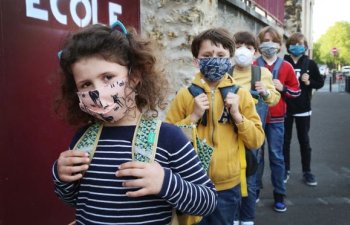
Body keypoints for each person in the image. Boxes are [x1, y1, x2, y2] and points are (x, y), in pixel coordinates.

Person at [52, 21, 218, 225]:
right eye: (86, 84)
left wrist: (165, 183)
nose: (98, 91)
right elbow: (73, 200)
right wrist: (62, 177)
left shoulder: (168, 138)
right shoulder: (82, 140)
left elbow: (207, 201)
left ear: (135, 76)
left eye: (108, 77)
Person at [166, 28, 265, 225]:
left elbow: (256, 140)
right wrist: (192, 117)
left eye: (221, 55)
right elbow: (167, 141)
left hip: (228, 187)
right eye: (207, 55)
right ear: (196, 60)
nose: (215, 59)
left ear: (230, 60)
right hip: (192, 184)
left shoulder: (241, 95)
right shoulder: (185, 95)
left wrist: (237, 115)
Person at [231, 31, 280, 225]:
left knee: (250, 180)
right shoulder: (226, 71)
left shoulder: (262, 73)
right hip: (228, 134)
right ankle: (233, 217)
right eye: (238, 45)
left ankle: (247, 219)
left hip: (251, 135)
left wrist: (266, 92)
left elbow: (274, 100)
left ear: (255, 52)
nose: (243, 50)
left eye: (249, 47)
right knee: (231, 179)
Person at [255, 26, 301, 213]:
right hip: (255, 118)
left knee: (276, 156)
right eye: (265, 40)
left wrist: (282, 88)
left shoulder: (286, 66)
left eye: (273, 41)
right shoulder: (253, 64)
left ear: (279, 44)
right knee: (256, 157)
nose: (269, 44)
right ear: (260, 43)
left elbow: (296, 91)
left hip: (276, 118)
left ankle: (279, 195)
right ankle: (254, 190)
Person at [283, 32, 324, 186]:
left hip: (303, 108)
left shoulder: (310, 64)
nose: (297, 46)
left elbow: (319, 83)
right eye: (294, 44)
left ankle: (307, 171)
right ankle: (285, 170)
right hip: (286, 108)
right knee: (284, 142)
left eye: (301, 44)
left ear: (305, 47)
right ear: (288, 46)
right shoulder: (283, 62)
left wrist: (309, 82)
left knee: (304, 141)